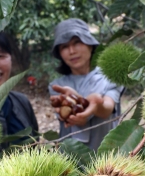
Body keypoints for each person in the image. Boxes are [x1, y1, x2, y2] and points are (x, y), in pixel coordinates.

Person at [48, 18, 123, 151]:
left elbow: (107, 108)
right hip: (70, 160)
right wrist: (73, 110)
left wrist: (92, 105)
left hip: (108, 159)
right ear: (60, 53)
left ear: (90, 45)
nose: (72, 51)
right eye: (64, 46)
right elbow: (64, 114)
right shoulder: (57, 86)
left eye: (77, 42)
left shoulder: (110, 75)